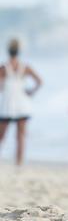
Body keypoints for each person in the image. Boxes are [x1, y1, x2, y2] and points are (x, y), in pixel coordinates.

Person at [0, 38, 43, 166]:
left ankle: (17, 163)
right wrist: (31, 92)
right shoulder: (25, 67)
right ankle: (19, 163)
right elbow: (39, 82)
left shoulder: (3, 68)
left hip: (7, 105)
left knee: (1, 135)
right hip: (22, 104)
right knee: (21, 137)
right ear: (19, 52)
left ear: (8, 51)